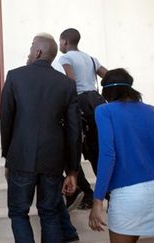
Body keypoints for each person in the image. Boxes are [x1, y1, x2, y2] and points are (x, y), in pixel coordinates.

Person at [0, 33, 81, 243]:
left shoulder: (14, 76)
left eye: (30, 50)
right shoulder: (67, 84)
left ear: (37, 52)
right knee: (50, 212)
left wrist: (8, 156)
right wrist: (72, 169)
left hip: (21, 157)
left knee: (19, 213)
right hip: (53, 160)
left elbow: (6, 121)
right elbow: (74, 130)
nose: (28, 54)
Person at [89, 68, 154, 243]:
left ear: (108, 92)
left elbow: (108, 156)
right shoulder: (152, 110)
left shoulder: (104, 111)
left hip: (128, 195)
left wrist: (97, 200)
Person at [58, 28, 108, 210]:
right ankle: (108, 192)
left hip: (80, 104)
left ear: (64, 42)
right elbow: (108, 76)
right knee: (97, 149)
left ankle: (85, 191)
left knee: (72, 147)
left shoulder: (65, 58)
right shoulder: (91, 58)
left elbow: (70, 81)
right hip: (97, 104)